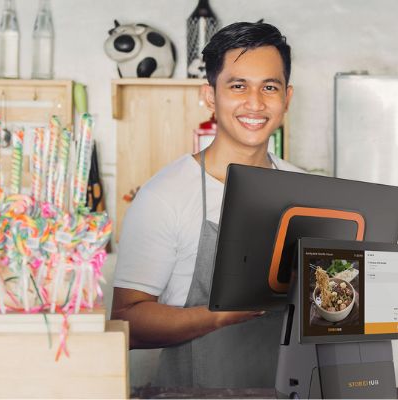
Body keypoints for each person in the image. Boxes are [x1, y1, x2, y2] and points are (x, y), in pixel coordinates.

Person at [111, 21, 302, 388]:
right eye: (238, 86)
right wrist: (219, 315)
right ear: (210, 96)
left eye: (270, 87)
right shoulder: (163, 197)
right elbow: (127, 324)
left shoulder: (311, 193)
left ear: (287, 98)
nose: (255, 103)